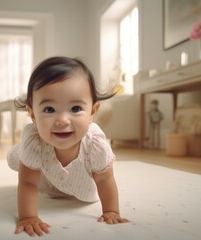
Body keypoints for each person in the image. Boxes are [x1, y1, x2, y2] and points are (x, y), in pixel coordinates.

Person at [7, 56, 129, 237]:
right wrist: (28, 216)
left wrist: (111, 211)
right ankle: (23, 156)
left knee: (26, 156)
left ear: (92, 112)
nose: (63, 120)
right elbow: (28, 182)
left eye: (75, 109)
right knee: (15, 157)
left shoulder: (95, 144)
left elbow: (104, 180)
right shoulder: (35, 140)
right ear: (32, 114)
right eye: (49, 110)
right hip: (48, 180)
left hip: (83, 186)